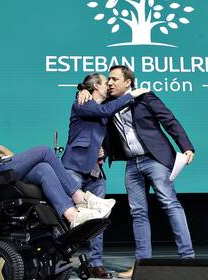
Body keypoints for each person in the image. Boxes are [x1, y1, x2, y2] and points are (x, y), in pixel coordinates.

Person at [0, 83, 116, 228]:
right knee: (44, 151)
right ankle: (80, 198)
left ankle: (72, 216)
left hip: (0, 166)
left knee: (43, 169)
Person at [104, 66, 195, 278]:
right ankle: (143, 265)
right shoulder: (109, 104)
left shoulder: (144, 97)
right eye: (108, 79)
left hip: (155, 158)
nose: (109, 83)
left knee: (169, 203)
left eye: (114, 79)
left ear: (128, 82)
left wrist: (186, 147)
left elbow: (168, 119)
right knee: (137, 212)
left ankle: (188, 259)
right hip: (131, 164)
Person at [62, 73, 148, 279]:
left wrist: (104, 151)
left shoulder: (104, 108)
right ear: (94, 87)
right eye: (104, 82)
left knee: (99, 218)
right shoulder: (82, 103)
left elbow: (109, 138)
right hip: (74, 167)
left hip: (95, 171)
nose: (109, 84)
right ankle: (60, 260)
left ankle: (95, 263)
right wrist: (132, 94)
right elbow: (106, 108)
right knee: (67, 216)